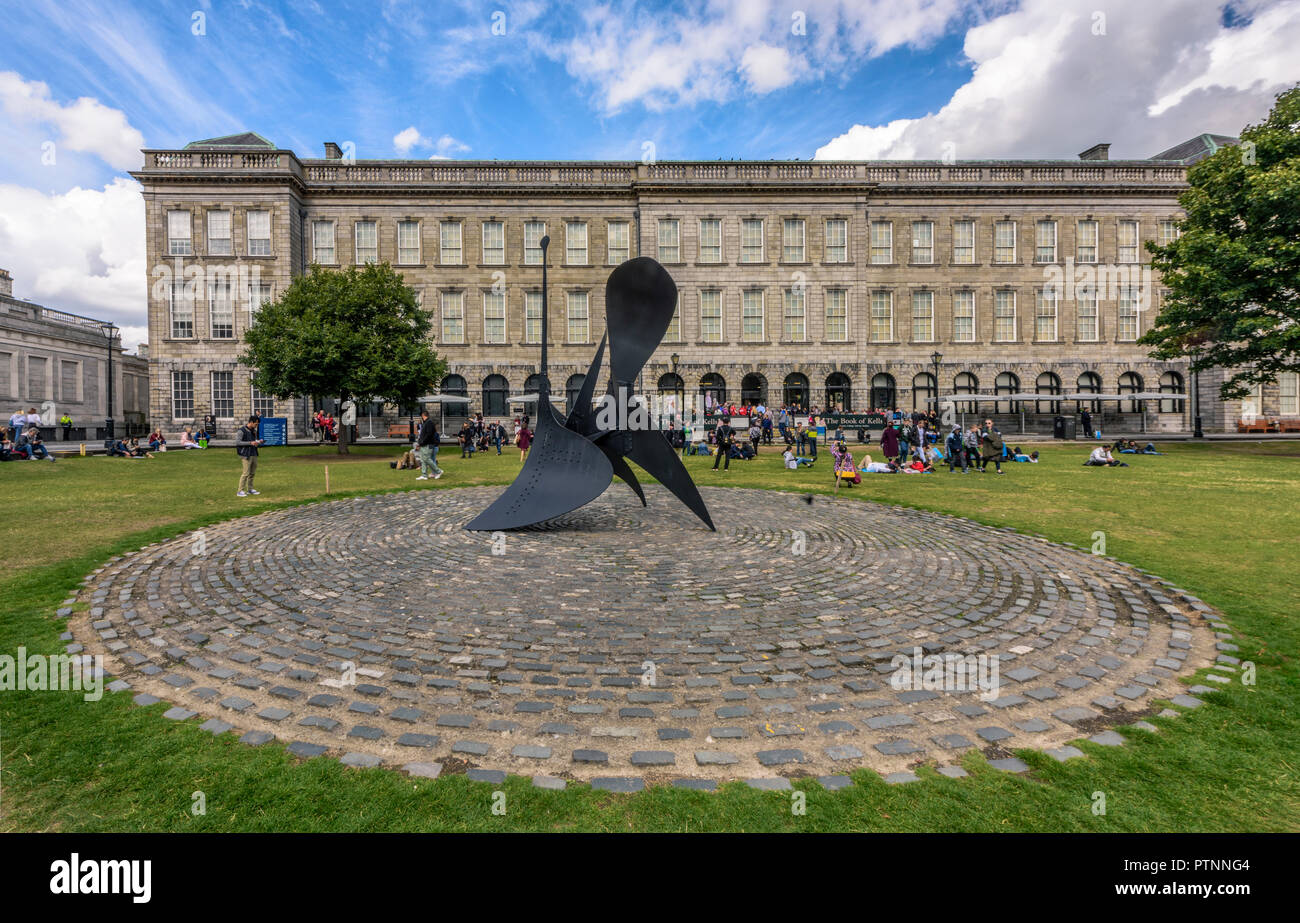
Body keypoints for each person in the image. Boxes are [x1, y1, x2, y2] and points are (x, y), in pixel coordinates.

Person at [236, 415, 264, 496]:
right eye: (256, 424)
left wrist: (258, 442)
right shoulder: (241, 431)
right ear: (251, 422)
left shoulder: (254, 431)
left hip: (254, 453)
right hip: (246, 454)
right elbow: (238, 442)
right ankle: (240, 491)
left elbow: (254, 441)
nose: (256, 426)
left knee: (252, 473)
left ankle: (250, 489)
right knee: (246, 473)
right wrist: (250, 443)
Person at [415, 409, 443, 481]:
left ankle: (438, 471)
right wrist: (420, 443)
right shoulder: (425, 423)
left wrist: (422, 442)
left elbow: (428, 435)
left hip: (428, 444)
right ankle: (424, 475)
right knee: (423, 460)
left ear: (423, 415)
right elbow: (423, 434)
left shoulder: (429, 423)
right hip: (424, 444)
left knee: (427, 459)